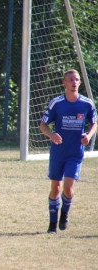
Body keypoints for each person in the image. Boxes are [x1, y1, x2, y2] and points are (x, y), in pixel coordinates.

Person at [39, 69, 97, 234]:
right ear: (64, 83)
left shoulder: (86, 104)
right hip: (58, 152)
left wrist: (89, 136)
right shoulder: (57, 103)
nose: (73, 83)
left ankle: (64, 214)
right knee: (56, 187)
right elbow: (43, 125)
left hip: (75, 153)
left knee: (68, 187)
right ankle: (52, 225)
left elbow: (94, 123)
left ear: (79, 83)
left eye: (76, 80)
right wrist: (52, 134)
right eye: (70, 80)